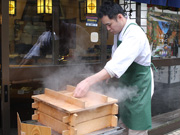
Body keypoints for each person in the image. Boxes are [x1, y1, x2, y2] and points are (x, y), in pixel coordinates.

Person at [73, 1, 154, 135]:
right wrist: (105, 76)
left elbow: (115, 66)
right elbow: (116, 56)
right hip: (128, 84)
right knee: (126, 121)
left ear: (120, 17)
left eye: (109, 25)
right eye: (106, 26)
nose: (108, 29)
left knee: (137, 127)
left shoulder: (134, 35)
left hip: (140, 85)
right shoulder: (119, 32)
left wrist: (87, 82)